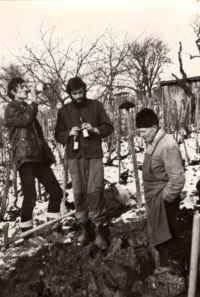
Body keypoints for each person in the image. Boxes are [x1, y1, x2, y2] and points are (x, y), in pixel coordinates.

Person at [55, 77, 114, 249]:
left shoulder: (96, 106)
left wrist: (95, 129)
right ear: (70, 94)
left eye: (81, 92)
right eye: (74, 94)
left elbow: (109, 127)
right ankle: (85, 229)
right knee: (79, 191)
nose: (78, 96)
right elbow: (57, 134)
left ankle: (99, 231)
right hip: (74, 157)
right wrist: (68, 133)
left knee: (95, 190)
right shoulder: (63, 111)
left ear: (84, 90)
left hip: (94, 154)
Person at [3, 77, 63, 236]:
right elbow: (26, 120)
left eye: (25, 86)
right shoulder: (11, 109)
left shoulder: (26, 107)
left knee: (56, 192)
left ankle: (53, 227)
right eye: (21, 87)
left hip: (38, 157)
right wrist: (34, 100)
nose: (26, 89)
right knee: (30, 197)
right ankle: (27, 235)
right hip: (25, 158)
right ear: (13, 92)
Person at [135, 108, 186, 277]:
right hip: (154, 197)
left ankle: (177, 274)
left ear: (154, 127)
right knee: (159, 234)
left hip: (163, 199)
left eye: (143, 131)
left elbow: (177, 179)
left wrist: (166, 199)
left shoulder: (167, 146)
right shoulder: (153, 142)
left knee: (168, 236)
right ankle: (166, 266)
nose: (141, 135)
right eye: (139, 132)